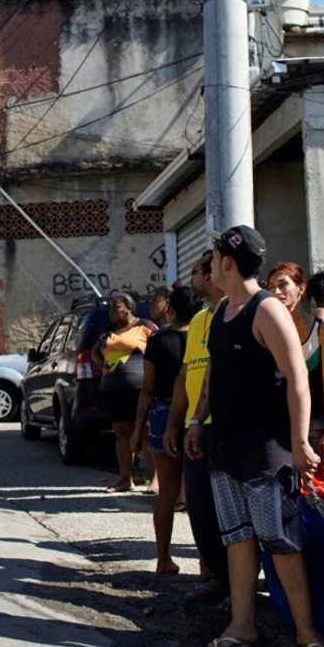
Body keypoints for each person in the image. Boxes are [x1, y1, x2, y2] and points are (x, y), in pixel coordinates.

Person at [186, 225, 324, 647]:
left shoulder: (267, 310)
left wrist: (299, 441)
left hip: (267, 452)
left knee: (280, 538)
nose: (211, 266)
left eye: (214, 259)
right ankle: (242, 626)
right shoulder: (221, 312)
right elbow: (216, 373)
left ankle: (307, 632)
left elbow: (298, 381)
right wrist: (199, 419)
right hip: (225, 448)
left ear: (228, 263)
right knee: (237, 537)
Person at [165, 249, 229, 597]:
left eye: (194, 272)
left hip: (227, 428)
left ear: (211, 275)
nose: (190, 280)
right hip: (197, 428)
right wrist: (178, 423)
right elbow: (186, 374)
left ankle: (240, 585)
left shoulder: (239, 314)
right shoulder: (201, 320)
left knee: (230, 513)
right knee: (200, 508)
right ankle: (216, 576)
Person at [131, 286, 192, 573]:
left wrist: (137, 429)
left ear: (170, 308)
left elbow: (147, 389)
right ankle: (206, 562)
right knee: (199, 493)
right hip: (197, 416)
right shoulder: (203, 338)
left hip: (163, 413)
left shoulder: (157, 341)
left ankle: (163, 558)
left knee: (166, 491)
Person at [267, 263, 324, 465]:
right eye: (271, 287)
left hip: (314, 428)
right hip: (278, 427)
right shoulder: (268, 332)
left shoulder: (322, 332)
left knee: (312, 490)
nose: (276, 292)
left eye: (282, 285)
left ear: (301, 287)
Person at [95, 294, 154, 493]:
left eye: (116, 307)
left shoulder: (145, 326)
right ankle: (125, 479)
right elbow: (95, 351)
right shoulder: (109, 332)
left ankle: (154, 480)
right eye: (110, 308)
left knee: (146, 432)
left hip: (140, 389)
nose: (112, 311)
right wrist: (102, 364)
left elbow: (162, 347)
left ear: (129, 308)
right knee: (121, 434)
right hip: (112, 390)